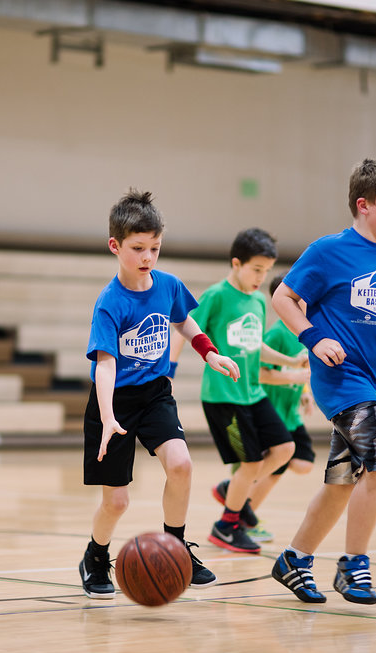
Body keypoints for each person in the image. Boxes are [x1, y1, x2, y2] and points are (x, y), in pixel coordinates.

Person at [269, 159, 376, 605]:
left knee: (343, 480)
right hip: (342, 381)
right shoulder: (328, 251)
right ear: (364, 205)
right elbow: (282, 296)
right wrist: (314, 337)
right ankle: (354, 565)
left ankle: (294, 561)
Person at [79, 188, 240, 599]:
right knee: (117, 503)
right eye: (138, 248)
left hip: (153, 394)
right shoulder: (109, 303)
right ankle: (95, 556)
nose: (147, 257)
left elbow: (184, 321)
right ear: (115, 246)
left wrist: (210, 354)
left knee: (182, 465)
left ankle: (177, 547)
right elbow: (106, 364)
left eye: (154, 247)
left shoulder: (167, 285)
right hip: (112, 401)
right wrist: (108, 415)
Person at [171, 228, 308, 555]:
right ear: (236, 263)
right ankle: (227, 526)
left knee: (284, 449)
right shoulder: (217, 295)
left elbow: (254, 345)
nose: (262, 277)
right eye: (256, 270)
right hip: (223, 396)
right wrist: (170, 370)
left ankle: (229, 491)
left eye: (266, 270)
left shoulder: (259, 301)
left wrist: (290, 360)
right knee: (249, 464)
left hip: (252, 393)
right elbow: (184, 327)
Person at [211, 272, 318, 544]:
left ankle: (233, 492)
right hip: (270, 409)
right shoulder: (277, 333)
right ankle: (243, 517)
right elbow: (258, 372)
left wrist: (304, 392)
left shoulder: (304, 334)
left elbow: (300, 370)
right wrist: (293, 377)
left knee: (301, 463)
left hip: (290, 414)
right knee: (272, 468)